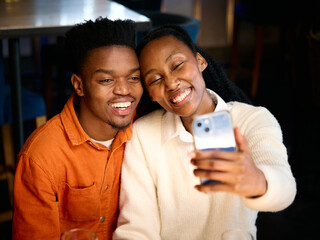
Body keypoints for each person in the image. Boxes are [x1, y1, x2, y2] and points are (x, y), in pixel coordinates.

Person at [113, 25, 296, 239]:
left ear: (200, 62)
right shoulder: (143, 136)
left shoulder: (252, 120)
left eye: (177, 65)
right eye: (155, 79)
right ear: (150, 93)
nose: (171, 83)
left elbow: (285, 190)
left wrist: (258, 182)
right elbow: (136, 229)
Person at [12, 17, 143, 240]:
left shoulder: (145, 132)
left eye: (133, 77)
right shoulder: (42, 157)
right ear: (79, 85)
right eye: (106, 80)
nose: (124, 90)